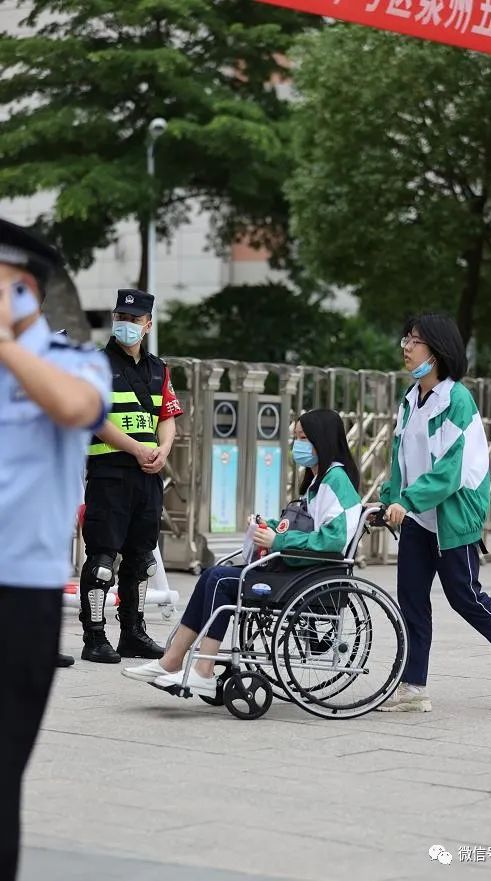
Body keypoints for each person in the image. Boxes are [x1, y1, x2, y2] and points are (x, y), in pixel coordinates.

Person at [0, 218, 111, 881]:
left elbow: (76, 409)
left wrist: (7, 349)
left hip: (19, 599)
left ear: (22, 288)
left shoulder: (75, 361)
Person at [121, 408, 363, 697]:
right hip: (297, 571)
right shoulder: (317, 483)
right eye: (296, 437)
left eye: (303, 438)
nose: (297, 444)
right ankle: (172, 660)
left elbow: (333, 540)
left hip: (307, 576)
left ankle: (203, 669)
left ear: (321, 440)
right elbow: (306, 525)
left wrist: (279, 540)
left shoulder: (336, 482)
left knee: (221, 580)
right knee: (212, 574)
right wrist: (268, 528)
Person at [376, 313, 491, 713]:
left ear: (436, 350)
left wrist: (409, 500)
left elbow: (449, 469)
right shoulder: (410, 399)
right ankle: (414, 686)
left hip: (452, 516)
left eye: (413, 341)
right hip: (419, 516)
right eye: (406, 339)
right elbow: (399, 459)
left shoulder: (457, 400)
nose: (405, 347)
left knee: (465, 596)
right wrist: (389, 498)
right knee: (412, 600)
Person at [78, 288, 183, 663]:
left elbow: (167, 418)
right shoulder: (95, 366)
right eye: (120, 318)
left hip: (148, 476)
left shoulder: (159, 369)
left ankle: (133, 633)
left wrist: (163, 452)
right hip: (110, 474)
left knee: (141, 560)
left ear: (148, 325)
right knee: (103, 559)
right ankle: (94, 637)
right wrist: (137, 448)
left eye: (134, 320)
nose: (126, 325)